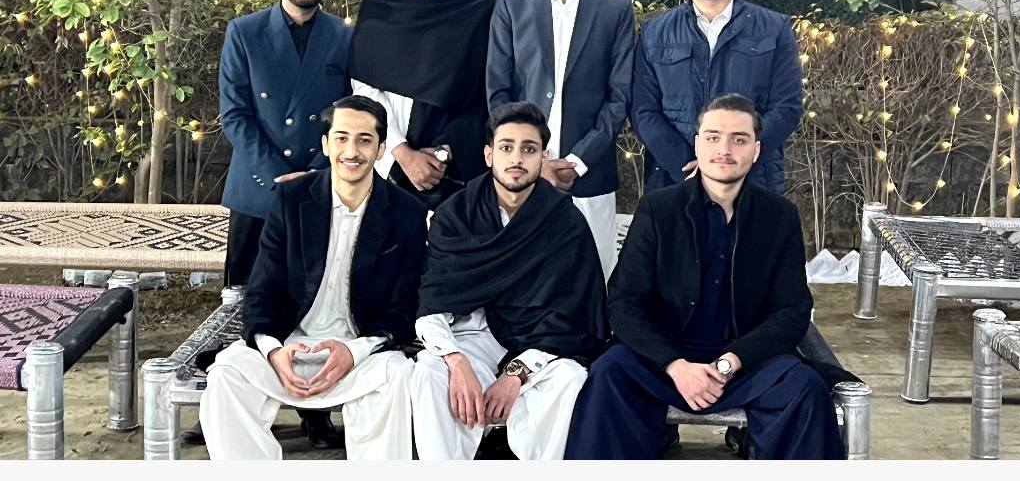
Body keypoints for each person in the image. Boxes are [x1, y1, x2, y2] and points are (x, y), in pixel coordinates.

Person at [565, 93, 845, 460]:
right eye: (713, 137)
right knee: (608, 374)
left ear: (756, 150)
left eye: (738, 139)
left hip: (746, 361)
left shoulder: (779, 216)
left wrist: (730, 362)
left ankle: (756, 444)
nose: (724, 149)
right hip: (664, 358)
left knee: (804, 387)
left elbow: (792, 310)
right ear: (698, 145)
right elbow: (623, 302)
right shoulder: (658, 209)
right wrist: (675, 365)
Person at [200, 95, 427, 460]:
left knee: (397, 374)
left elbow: (404, 307)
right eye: (341, 138)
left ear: (381, 149)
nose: (351, 151)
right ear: (325, 144)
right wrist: (273, 351)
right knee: (227, 373)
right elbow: (262, 290)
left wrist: (353, 352)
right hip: (289, 344)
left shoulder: (407, 212)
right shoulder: (292, 199)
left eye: (364, 140)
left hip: (361, 351)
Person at [211, 0, 353, 448]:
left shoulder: (343, 36)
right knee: (245, 299)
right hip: (257, 189)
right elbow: (235, 114)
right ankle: (236, 403)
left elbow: (348, 111)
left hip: (318, 186)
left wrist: (316, 172)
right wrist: (277, 174)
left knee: (311, 297)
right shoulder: (244, 31)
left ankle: (316, 410)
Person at [410, 101, 608, 460]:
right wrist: (456, 360)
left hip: (541, 345)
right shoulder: (455, 215)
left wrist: (517, 372)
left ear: (543, 157)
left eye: (528, 149)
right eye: (506, 147)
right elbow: (431, 304)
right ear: (489, 155)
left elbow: (574, 317)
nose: (516, 158)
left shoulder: (565, 222)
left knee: (569, 379)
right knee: (429, 371)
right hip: (471, 340)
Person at [486, 0, 634, 279]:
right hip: (521, 173)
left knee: (594, 280)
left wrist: (577, 161)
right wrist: (533, 159)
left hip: (590, 174)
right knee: (523, 280)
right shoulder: (511, 3)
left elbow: (620, 96)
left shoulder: (616, 6)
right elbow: (498, 90)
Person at [631, 0, 802, 194]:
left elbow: (787, 107)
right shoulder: (655, 32)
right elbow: (643, 110)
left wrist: (731, 160)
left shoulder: (773, 28)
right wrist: (687, 163)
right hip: (674, 179)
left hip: (751, 180)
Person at [350, 0, 498, 211]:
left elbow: (488, 84)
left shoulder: (482, 1)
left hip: (458, 163)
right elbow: (364, 82)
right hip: (388, 160)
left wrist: (446, 151)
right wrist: (401, 152)